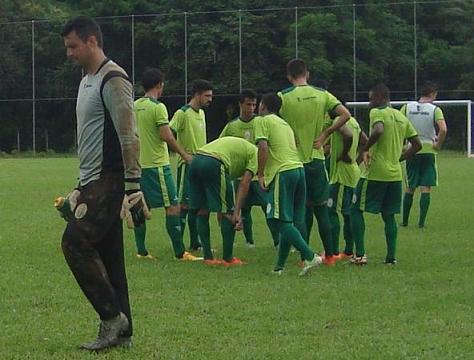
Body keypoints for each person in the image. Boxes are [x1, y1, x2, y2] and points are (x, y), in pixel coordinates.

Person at [60, 16, 141, 351]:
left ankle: (111, 317)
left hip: (111, 178)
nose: (69, 53)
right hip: (92, 180)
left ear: (92, 41)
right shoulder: (86, 79)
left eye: (73, 46)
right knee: (109, 255)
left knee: (75, 242)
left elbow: (129, 133)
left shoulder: (113, 78)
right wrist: (79, 185)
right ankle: (123, 330)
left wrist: (133, 185)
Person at [278, 58, 352, 266]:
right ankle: (329, 256)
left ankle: (305, 257)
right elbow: (345, 115)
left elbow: (270, 121)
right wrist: (326, 133)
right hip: (317, 160)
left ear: (289, 76)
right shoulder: (323, 94)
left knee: (299, 210)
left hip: (294, 160)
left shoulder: (283, 97)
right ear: (307, 74)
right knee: (321, 210)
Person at [133, 68, 201, 261]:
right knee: (172, 206)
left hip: (138, 165)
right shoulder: (158, 107)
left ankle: (141, 251)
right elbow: (165, 135)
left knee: (139, 205)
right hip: (157, 165)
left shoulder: (134, 105)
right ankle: (180, 253)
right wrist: (184, 154)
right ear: (159, 85)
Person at [351, 83, 421, 265]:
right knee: (389, 216)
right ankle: (391, 258)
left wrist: (365, 149)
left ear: (380, 98)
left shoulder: (377, 112)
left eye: (370, 98)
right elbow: (417, 145)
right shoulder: (400, 117)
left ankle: (359, 255)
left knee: (355, 209)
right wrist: (400, 159)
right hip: (395, 175)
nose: (369, 103)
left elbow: (379, 130)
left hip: (375, 174)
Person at [255, 93, 323, 276]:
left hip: (282, 172)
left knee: (276, 220)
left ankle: (309, 255)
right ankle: (279, 267)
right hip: (299, 170)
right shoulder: (284, 123)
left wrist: (260, 174)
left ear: (262, 105)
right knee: (289, 220)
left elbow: (263, 147)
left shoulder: (262, 121)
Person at [219, 89, 280, 247]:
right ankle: (249, 241)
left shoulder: (261, 122)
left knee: (268, 208)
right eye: (248, 104)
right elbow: (221, 145)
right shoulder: (231, 126)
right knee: (244, 210)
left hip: (259, 175)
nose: (251, 108)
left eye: (254, 104)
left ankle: (277, 241)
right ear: (240, 104)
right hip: (240, 176)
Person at [188, 136, 257, 265]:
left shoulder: (243, 148)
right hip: (214, 162)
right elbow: (244, 184)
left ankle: (208, 257)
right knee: (229, 212)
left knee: (202, 210)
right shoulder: (256, 154)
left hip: (196, 160)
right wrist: (236, 212)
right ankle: (228, 258)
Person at [170, 80, 212, 251]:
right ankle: (178, 244)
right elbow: (168, 134)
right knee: (185, 205)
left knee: (198, 204)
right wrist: (184, 155)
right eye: (207, 96)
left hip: (202, 163)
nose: (210, 99)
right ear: (197, 94)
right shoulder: (182, 113)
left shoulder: (201, 113)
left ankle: (196, 243)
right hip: (188, 165)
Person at [400, 82, 447, 228]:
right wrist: (438, 145)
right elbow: (443, 129)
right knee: (425, 187)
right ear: (433, 94)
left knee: (410, 186)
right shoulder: (435, 110)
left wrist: (402, 145)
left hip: (411, 149)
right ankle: (421, 223)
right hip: (428, 150)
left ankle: (405, 221)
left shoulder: (406, 107)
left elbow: (400, 127)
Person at [325, 110, 368, 259]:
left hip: (342, 175)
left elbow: (348, 135)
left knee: (331, 211)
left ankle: (335, 251)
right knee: (348, 213)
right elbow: (365, 141)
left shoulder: (338, 119)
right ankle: (349, 250)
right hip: (353, 172)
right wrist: (356, 159)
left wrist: (344, 154)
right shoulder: (354, 122)